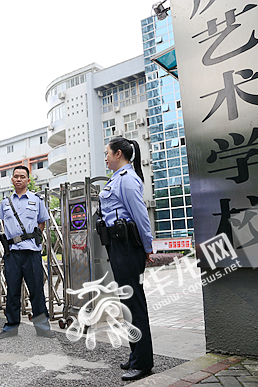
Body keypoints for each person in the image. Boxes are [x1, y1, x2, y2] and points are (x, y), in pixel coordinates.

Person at [99, 136, 154, 381]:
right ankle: (135, 355)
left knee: (135, 305)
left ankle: (143, 362)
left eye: (108, 153)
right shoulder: (117, 179)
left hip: (128, 247)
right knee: (127, 305)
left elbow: (140, 215)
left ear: (119, 154)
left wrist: (148, 247)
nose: (106, 157)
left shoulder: (128, 179)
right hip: (118, 247)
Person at [0, 165, 55, 339]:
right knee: (12, 290)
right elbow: (3, 224)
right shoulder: (5, 202)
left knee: (36, 290)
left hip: (31, 252)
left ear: (28, 180)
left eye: (22, 176)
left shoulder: (36, 200)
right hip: (12, 252)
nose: (19, 179)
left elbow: (42, 222)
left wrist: (32, 237)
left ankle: (42, 327)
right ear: (12, 180)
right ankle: (11, 327)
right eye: (16, 176)